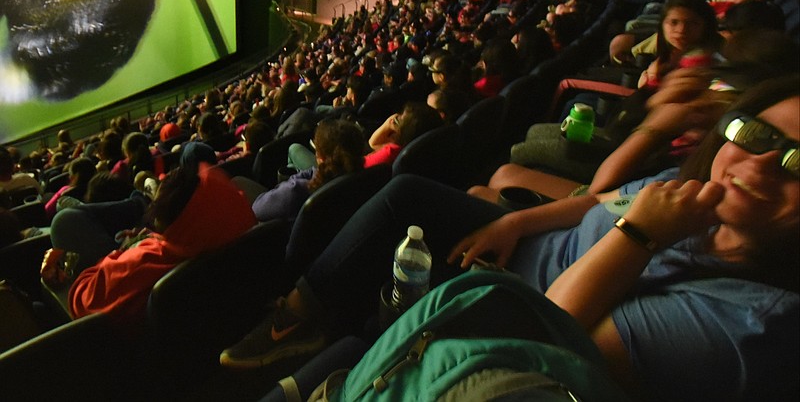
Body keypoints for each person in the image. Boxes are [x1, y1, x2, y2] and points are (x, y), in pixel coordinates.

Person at [220, 75, 799, 401]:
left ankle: (329, 354)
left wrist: (640, 233)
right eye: (756, 133)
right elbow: (599, 198)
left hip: (522, 302)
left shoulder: (751, 322)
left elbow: (546, 333)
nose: (762, 163)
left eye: (797, 161)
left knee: (394, 309)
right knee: (407, 194)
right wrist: (514, 220)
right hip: (522, 253)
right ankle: (299, 318)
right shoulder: (692, 192)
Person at [51, 161, 255, 322]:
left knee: (64, 219)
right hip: (206, 318)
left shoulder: (142, 264)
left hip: (120, 315)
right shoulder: (235, 216)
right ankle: (138, 199)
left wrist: (122, 253)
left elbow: (80, 301)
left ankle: (138, 200)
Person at [245, 118, 365, 225]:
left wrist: (292, 182)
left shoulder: (295, 191)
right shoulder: (366, 178)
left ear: (320, 157)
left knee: (238, 180)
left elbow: (256, 209)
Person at [363, 101, 444, 168]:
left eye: (399, 119)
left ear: (406, 131)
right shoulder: (418, 149)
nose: (395, 117)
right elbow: (373, 144)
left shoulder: (392, 152)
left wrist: (388, 123)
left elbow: (362, 165)